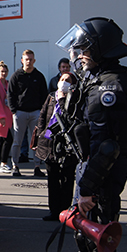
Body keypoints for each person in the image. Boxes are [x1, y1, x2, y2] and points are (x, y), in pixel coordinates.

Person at [56, 17, 127, 252]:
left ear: (101, 49)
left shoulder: (109, 86)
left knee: (97, 244)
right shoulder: (99, 77)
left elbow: (106, 147)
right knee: (86, 239)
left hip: (99, 178)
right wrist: (64, 95)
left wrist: (87, 189)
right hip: (91, 172)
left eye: (86, 50)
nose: (80, 56)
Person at [35, 71, 78, 221]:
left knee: (67, 179)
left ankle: (65, 211)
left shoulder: (75, 98)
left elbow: (68, 118)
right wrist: (41, 133)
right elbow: (43, 115)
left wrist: (62, 100)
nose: (64, 82)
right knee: (52, 179)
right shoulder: (51, 96)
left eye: (68, 80)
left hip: (66, 145)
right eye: (62, 79)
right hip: (49, 143)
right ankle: (54, 210)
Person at [7, 49, 48, 177]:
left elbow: (44, 95)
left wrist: (42, 111)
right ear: (22, 60)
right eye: (26, 59)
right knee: (17, 141)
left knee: (37, 141)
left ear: (34, 60)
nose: (29, 62)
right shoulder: (16, 76)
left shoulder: (39, 76)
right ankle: (15, 166)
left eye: (31, 59)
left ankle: (37, 166)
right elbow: (10, 94)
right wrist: (14, 111)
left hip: (35, 113)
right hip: (20, 113)